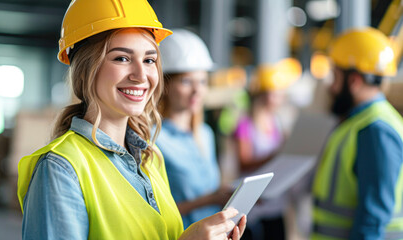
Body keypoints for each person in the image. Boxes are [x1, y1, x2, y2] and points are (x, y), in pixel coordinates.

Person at [16, 0, 246, 239]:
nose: (141, 75)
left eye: (149, 60)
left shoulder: (149, 157)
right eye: (122, 59)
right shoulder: (60, 167)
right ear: (86, 70)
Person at [311, 27, 403, 239]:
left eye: (334, 77)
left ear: (354, 81)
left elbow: (373, 218)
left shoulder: (376, 130)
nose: (331, 88)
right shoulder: (359, 123)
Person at [156, 29, 234, 229]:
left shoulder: (205, 134)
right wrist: (208, 200)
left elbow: (212, 190)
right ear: (165, 85)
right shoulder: (153, 139)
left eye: (202, 81)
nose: (197, 90)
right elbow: (152, 210)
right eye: (186, 81)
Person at [233, 58, 301, 240]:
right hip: (253, 207)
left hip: (275, 202)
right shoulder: (245, 124)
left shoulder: (277, 122)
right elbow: (244, 162)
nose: (279, 98)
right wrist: (276, 156)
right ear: (262, 93)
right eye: (274, 93)